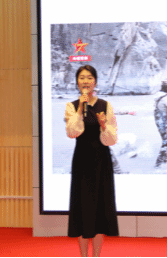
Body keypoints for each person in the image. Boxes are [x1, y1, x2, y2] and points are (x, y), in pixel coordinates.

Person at [65, 65, 119, 257]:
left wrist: (104, 125)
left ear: (95, 81)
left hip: (101, 162)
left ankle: (96, 255)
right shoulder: (72, 106)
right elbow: (72, 132)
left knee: (99, 211)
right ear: (77, 82)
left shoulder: (105, 105)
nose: (85, 81)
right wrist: (81, 109)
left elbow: (112, 139)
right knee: (82, 210)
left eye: (89, 77)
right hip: (82, 161)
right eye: (82, 78)